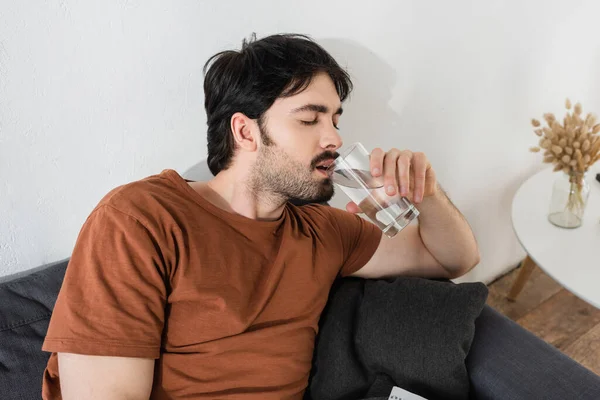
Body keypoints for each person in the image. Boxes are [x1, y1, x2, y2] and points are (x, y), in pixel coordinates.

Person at [41, 33, 480, 400]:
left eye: (335, 120)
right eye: (310, 120)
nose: (334, 138)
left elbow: (451, 259)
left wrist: (427, 193)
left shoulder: (321, 230)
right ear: (245, 131)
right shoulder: (141, 220)